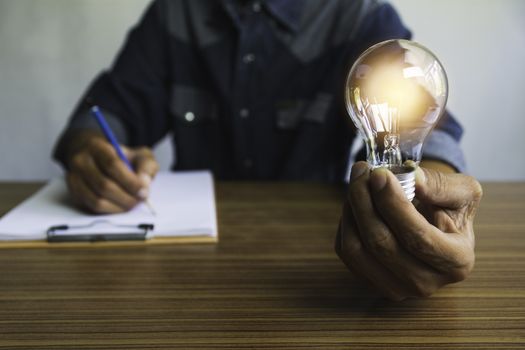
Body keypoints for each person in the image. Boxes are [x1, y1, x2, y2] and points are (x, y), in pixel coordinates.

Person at [53, 0, 482, 300]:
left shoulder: (359, 16)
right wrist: (91, 155)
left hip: (316, 260)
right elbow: (105, 114)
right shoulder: (173, 14)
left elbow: (428, 119)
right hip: (193, 272)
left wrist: (429, 194)